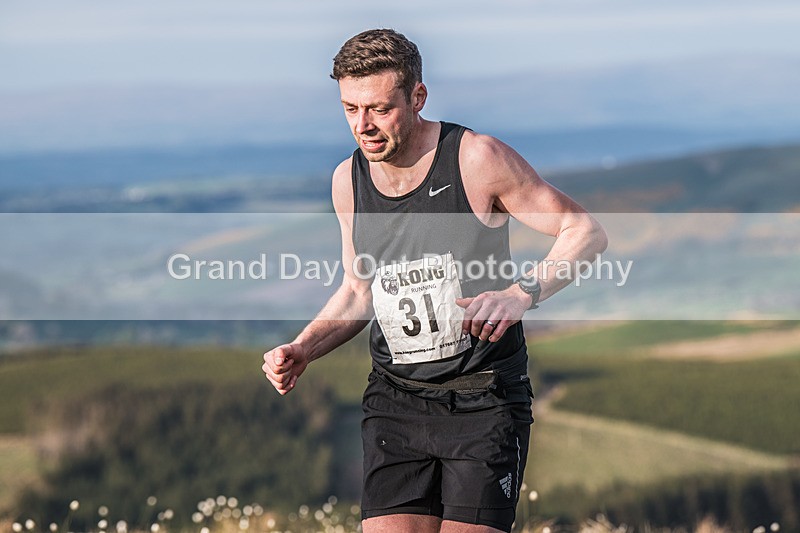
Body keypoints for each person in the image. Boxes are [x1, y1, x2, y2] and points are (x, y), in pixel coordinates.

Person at [262, 29, 607, 533]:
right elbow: (360, 290)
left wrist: (522, 294)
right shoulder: (347, 181)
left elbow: (585, 231)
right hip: (395, 401)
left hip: (483, 399)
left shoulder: (475, 159)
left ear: (417, 96)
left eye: (380, 108)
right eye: (350, 109)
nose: (364, 125)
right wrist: (303, 348)